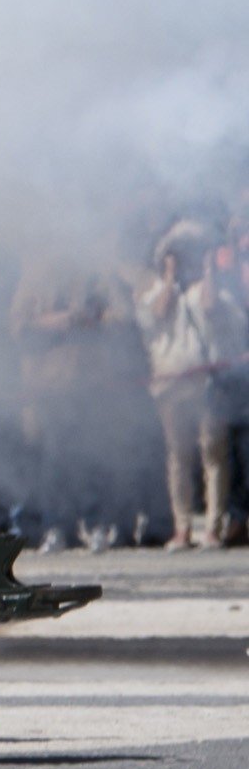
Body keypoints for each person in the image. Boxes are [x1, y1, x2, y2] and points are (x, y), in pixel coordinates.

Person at [135, 222, 235, 547]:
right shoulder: (151, 293)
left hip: (204, 382)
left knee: (213, 454)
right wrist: (169, 278)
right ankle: (182, 528)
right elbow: (160, 312)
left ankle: (213, 529)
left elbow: (210, 306)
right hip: (170, 385)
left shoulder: (202, 292)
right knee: (179, 456)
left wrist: (208, 271)